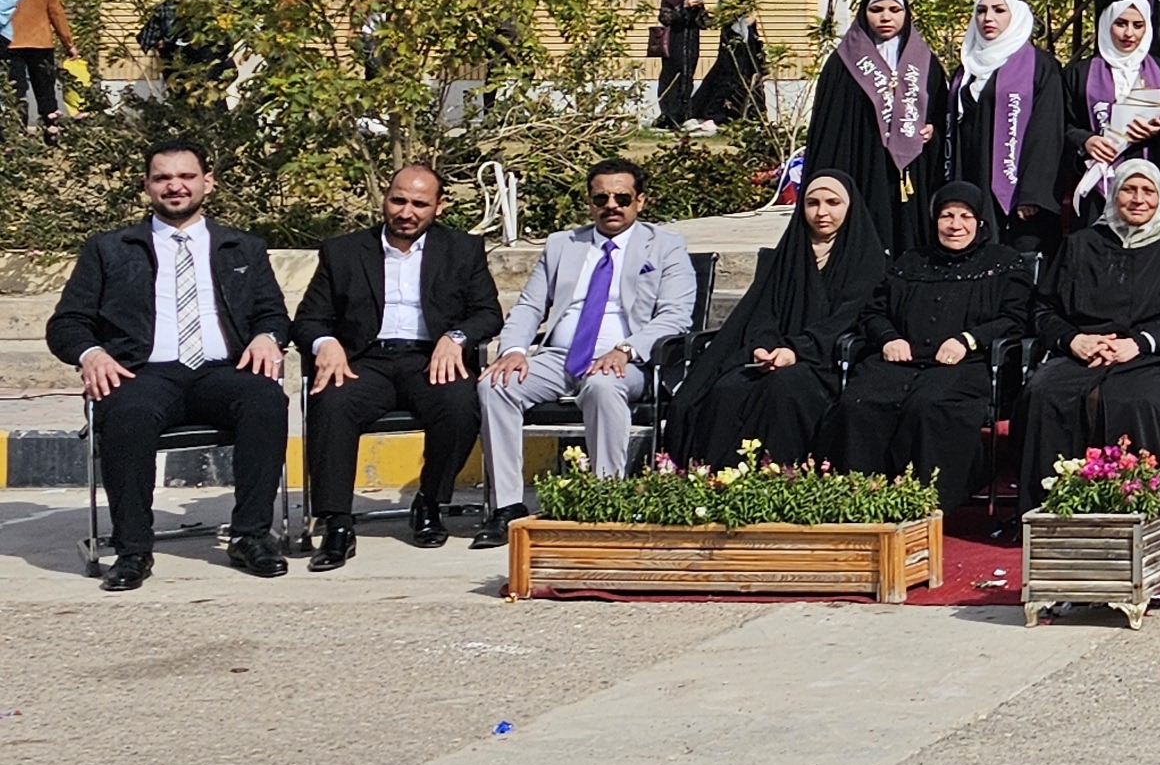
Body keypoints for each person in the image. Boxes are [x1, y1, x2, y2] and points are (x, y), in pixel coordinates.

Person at [53, 138, 295, 586]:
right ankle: (132, 550)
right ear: (147, 186)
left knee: (265, 400)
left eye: (186, 176)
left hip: (221, 371)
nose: (175, 186)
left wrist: (268, 337)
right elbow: (67, 322)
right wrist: (92, 353)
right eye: (163, 178)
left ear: (208, 182)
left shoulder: (242, 247)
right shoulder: (110, 249)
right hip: (142, 372)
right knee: (127, 413)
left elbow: (273, 314)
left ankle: (251, 536)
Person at [476, 158, 703, 545]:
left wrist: (626, 349)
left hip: (628, 360)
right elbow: (530, 306)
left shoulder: (666, 246)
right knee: (496, 385)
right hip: (560, 356)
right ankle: (507, 507)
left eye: (622, 198)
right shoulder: (562, 244)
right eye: (601, 198)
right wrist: (513, 349)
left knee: (602, 385)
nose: (611, 205)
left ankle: (605, 500)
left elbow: (675, 316)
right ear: (590, 202)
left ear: (640, 201)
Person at [294, 159, 503, 565]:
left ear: (439, 206)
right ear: (384, 199)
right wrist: (325, 343)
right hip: (363, 359)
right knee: (331, 402)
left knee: (460, 404)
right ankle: (336, 524)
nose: (407, 212)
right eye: (398, 201)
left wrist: (456, 337)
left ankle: (430, 502)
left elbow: (488, 313)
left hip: (430, 358)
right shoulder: (343, 251)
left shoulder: (462, 250)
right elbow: (308, 320)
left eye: (419, 204)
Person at [664, 171, 886, 470]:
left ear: (849, 207)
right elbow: (764, 311)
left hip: (828, 361)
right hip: (774, 355)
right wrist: (763, 347)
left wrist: (797, 350)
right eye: (812, 203)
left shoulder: (865, 257)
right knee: (726, 388)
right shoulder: (790, 254)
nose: (822, 212)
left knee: (784, 387)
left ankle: (782, 477)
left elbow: (848, 318)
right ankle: (717, 479)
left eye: (833, 203)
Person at [1018, 159, 1160, 500]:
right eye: (1128, 190)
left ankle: (1140, 504)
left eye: (1148, 191)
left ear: (1159, 196)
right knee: (1043, 393)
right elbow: (1044, 308)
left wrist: (1140, 343)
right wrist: (1074, 340)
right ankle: (1052, 506)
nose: (1138, 199)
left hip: (1146, 356)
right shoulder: (1080, 243)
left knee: (1139, 402)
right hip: (1081, 353)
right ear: (1113, 194)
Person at [837, 180, 1025, 516]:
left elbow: (1016, 317)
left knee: (929, 407)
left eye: (966, 216)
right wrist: (888, 338)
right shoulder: (911, 262)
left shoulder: (1003, 262)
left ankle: (925, 506)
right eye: (947, 216)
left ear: (980, 221)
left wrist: (968, 340)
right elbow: (873, 312)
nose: (955, 225)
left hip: (965, 365)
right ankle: (861, 502)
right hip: (899, 362)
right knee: (859, 404)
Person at [804, 0, 949, 241]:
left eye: (894, 10)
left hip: (910, 170)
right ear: (864, 12)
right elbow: (830, 126)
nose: (885, 17)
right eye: (876, 9)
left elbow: (940, 112)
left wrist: (933, 130)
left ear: (906, 13)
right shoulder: (842, 63)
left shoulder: (925, 62)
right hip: (861, 160)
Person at [942, 0, 1076, 240]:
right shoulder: (966, 68)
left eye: (999, 10)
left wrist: (1032, 193)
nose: (988, 18)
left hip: (1018, 197)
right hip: (971, 181)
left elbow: (1046, 134)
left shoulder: (1040, 66)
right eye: (981, 11)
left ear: (1017, 15)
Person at [1078, 0, 1160, 219]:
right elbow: (1061, 124)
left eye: (1138, 25)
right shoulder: (1079, 74)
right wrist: (1086, 141)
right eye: (1121, 23)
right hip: (1096, 180)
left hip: (1151, 175)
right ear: (1106, 24)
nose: (1129, 33)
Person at [5, 0, 74, 133]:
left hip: (8, 42)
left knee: (15, 90)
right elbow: (56, 12)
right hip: (40, 41)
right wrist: (69, 43)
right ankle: (51, 128)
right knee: (45, 89)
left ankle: (16, 131)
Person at [696, 0, 767, 125]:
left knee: (750, 75)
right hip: (733, 38)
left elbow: (750, 14)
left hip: (748, 39)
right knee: (729, 75)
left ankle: (752, 113)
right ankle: (717, 111)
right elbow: (730, 10)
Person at [652, 0, 708, 125]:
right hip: (674, 44)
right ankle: (668, 114)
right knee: (671, 78)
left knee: (687, 78)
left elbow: (704, 23)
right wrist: (683, 7)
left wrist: (700, 9)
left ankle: (684, 114)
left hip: (691, 45)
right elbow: (666, 19)